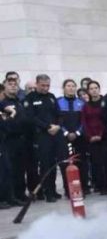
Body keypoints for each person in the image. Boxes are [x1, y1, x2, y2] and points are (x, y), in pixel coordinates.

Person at [23, 74, 62, 202]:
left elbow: (59, 113)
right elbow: (31, 118)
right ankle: (47, 192)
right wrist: (47, 127)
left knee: (53, 164)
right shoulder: (29, 98)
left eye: (48, 85)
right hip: (41, 136)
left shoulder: (51, 97)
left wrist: (57, 125)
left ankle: (53, 189)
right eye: (43, 85)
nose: (46, 88)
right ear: (37, 84)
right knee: (45, 164)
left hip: (54, 134)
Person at [56, 79, 89, 196]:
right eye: (68, 86)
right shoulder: (58, 102)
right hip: (63, 139)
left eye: (73, 86)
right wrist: (66, 133)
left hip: (79, 138)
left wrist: (77, 133)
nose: (71, 88)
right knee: (65, 164)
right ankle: (68, 190)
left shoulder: (81, 103)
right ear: (64, 88)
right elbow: (57, 121)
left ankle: (83, 188)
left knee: (81, 163)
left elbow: (84, 121)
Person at [1, 75, 28, 207]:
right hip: (8, 140)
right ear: (4, 86)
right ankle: (9, 197)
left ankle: (19, 194)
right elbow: (6, 124)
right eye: (10, 84)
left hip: (22, 140)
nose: (13, 86)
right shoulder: (2, 104)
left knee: (19, 169)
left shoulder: (20, 102)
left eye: (15, 84)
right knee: (8, 170)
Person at [81, 80, 107, 194]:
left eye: (96, 88)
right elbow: (84, 122)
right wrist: (89, 136)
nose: (94, 90)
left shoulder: (105, 103)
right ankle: (99, 186)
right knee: (96, 163)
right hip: (91, 138)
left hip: (105, 136)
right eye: (91, 88)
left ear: (99, 89)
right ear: (88, 91)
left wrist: (101, 135)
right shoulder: (85, 106)